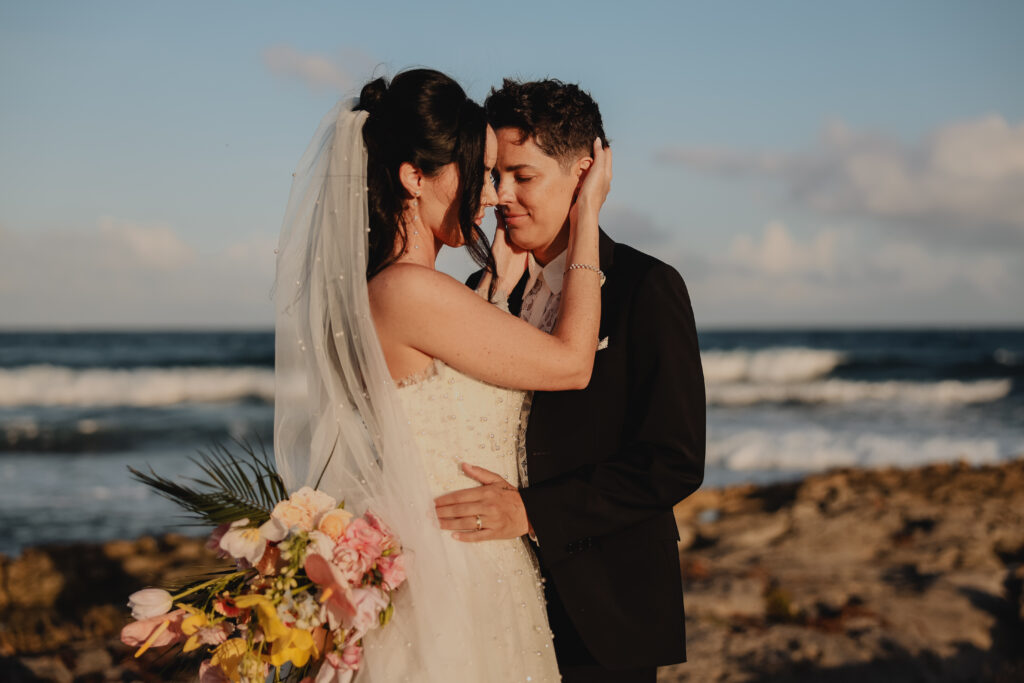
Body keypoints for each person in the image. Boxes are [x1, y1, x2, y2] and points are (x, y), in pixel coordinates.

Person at [273, 69, 611, 682]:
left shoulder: (397, 289)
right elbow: (572, 363)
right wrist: (586, 215)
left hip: (467, 561)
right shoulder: (409, 290)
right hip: (458, 573)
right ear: (414, 177)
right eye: (478, 171)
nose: (493, 195)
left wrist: (494, 293)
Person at [436, 79, 706, 682]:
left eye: (522, 176)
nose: (500, 195)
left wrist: (530, 513)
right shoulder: (484, 293)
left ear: (584, 176)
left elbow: (673, 460)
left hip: (605, 609)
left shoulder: (645, 286)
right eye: (494, 175)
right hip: (491, 603)